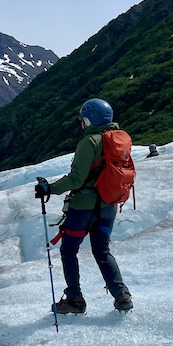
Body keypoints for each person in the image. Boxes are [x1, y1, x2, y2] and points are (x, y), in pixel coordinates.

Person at [34, 98, 133, 314]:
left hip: (83, 208)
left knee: (69, 250)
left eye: (84, 120)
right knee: (102, 250)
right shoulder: (119, 140)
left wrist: (48, 188)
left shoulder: (89, 143)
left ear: (90, 120)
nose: (82, 124)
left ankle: (74, 299)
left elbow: (76, 179)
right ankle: (122, 295)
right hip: (109, 206)